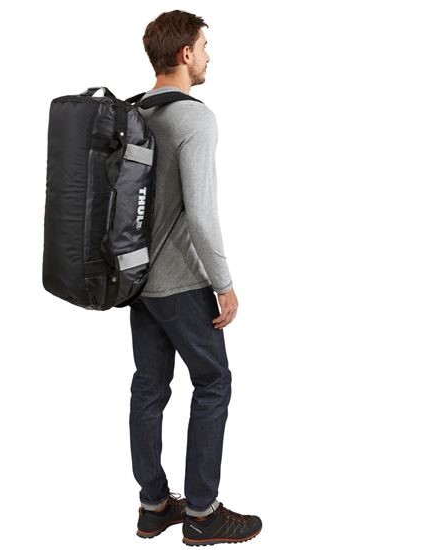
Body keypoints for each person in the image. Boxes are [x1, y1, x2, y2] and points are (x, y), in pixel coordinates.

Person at [130, 10, 262, 546]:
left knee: (149, 388)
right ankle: (203, 515)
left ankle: (153, 506)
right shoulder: (194, 118)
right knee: (213, 383)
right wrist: (224, 284)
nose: (208, 56)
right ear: (185, 54)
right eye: (204, 46)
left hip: (137, 283)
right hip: (182, 283)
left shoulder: (136, 112)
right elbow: (202, 215)